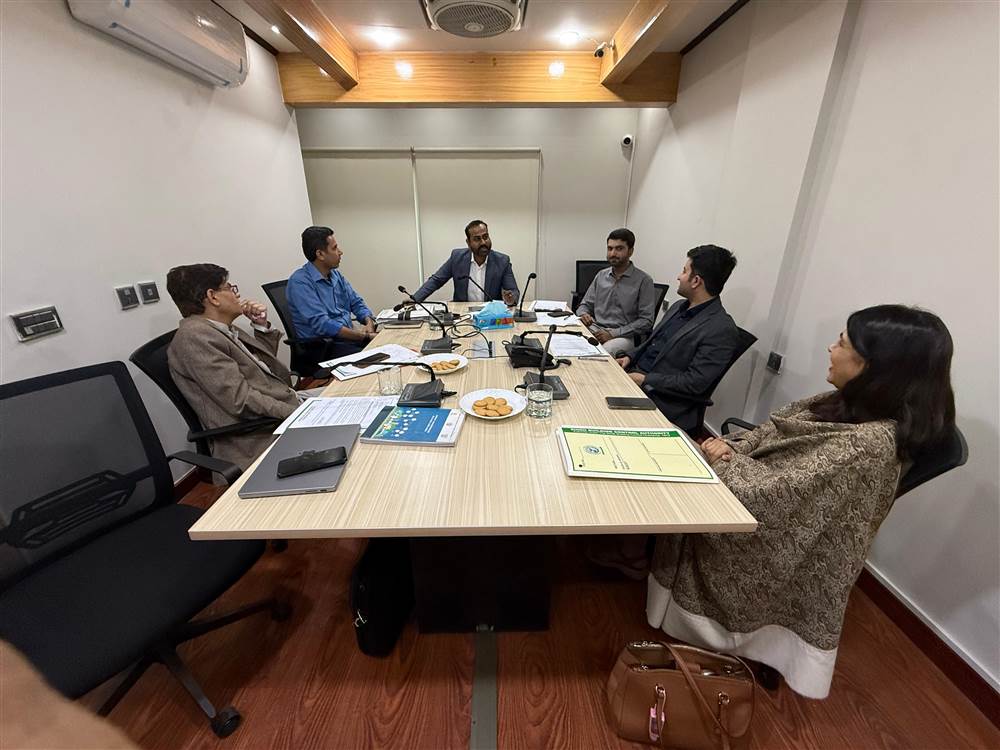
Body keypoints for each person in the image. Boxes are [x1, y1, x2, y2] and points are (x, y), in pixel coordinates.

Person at [647, 305, 956, 700]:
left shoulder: (868, 446)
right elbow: (771, 430)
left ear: (873, 367)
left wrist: (724, 460)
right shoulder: (846, 402)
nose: (830, 348)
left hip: (771, 538)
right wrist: (729, 448)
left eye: (842, 343)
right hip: (753, 480)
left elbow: (768, 497)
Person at [166, 263, 300, 472]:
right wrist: (299, 413)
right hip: (258, 438)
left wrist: (260, 326)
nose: (237, 294)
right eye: (230, 288)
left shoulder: (220, 328)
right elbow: (241, 401)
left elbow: (261, 369)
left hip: (280, 409)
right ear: (213, 296)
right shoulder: (195, 337)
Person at [616, 244, 739, 433]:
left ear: (696, 281)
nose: (679, 277)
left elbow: (694, 383)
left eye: (684, 271)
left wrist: (645, 379)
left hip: (659, 399)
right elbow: (651, 342)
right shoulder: (679, 306)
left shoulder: (721, 329)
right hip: (635, 377)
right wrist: (630, 357)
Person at [287, 226, 377, 361]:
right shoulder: (300, 282)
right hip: (324, 348)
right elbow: (323, 325)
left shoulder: (336, 275)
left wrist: (368, 323)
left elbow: (356, 303)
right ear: (320, 254)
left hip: (347, 341)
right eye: (334, 248)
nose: (340, 252)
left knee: (389, 345)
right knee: (378, 358)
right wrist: (364, 337)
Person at [575, 228, 656, 357]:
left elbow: (646, 321)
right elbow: (584, 305)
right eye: (610, 248)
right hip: (596, 328)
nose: (613, 253)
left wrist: (613, 334)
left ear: (630, 251)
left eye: (619, 249)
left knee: (600, 354)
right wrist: (584, 314)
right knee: (569, 343)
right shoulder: (601, 276)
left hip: (625, 336)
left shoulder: (644, 281)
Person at [412, 219, 519, 305]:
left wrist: (511, 299)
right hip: (463, 313)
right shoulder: (457, 258)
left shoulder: (502, 261)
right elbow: (436, 280)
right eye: (477, 239)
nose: (483, 242)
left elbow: (513, 291)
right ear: (468, 242)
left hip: (490, 314)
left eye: (485, 237)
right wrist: (415, 299)